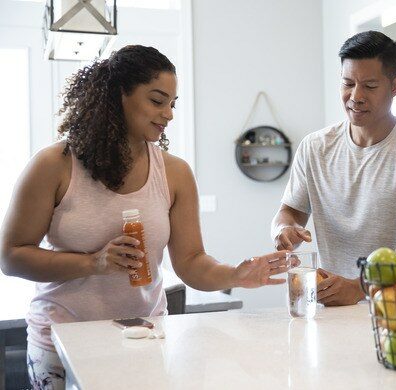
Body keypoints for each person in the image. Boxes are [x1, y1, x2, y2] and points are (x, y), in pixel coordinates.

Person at [0, 45, 289, 390]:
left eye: (172, 104)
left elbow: (192, 261)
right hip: (62, 341)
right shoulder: (54, 165)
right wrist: (93, 263)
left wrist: (237, 274)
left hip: (142, 339)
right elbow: (11, 256)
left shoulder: (175, 173)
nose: (168, 113)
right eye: (157, 100)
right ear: (118, 95)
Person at [271, 31, 396, 307]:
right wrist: (283, 230)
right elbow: (289, 212)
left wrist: (362, 285)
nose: (355, 96)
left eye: (370, 86)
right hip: (329, 309)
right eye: (348, 83)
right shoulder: (314, 147)